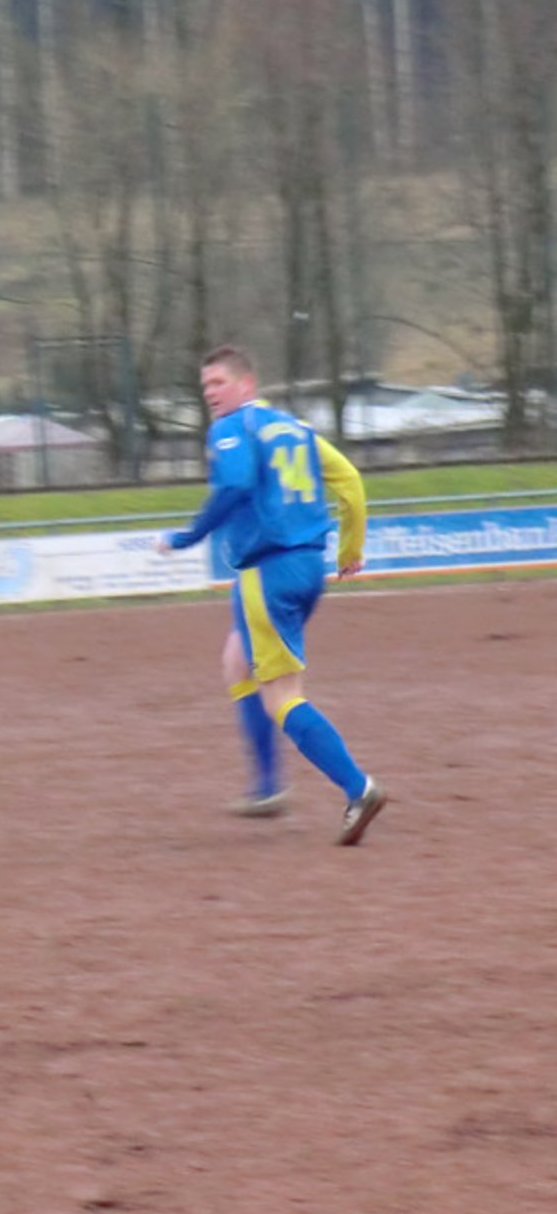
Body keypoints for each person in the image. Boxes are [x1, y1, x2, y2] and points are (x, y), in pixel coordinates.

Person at [158, 345, 385, 844]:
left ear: (246, 385)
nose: (210, 394)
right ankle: (266, 788)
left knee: (282, 697)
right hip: (308, 568)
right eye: (205, 387)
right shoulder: (296, 431)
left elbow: (236, 486)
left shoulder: (232, 429)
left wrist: (186, 537)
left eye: (218, 383)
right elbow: (348, 480)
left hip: (267, 573)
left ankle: (357, 787)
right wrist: (351, 547)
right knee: (237, 661)